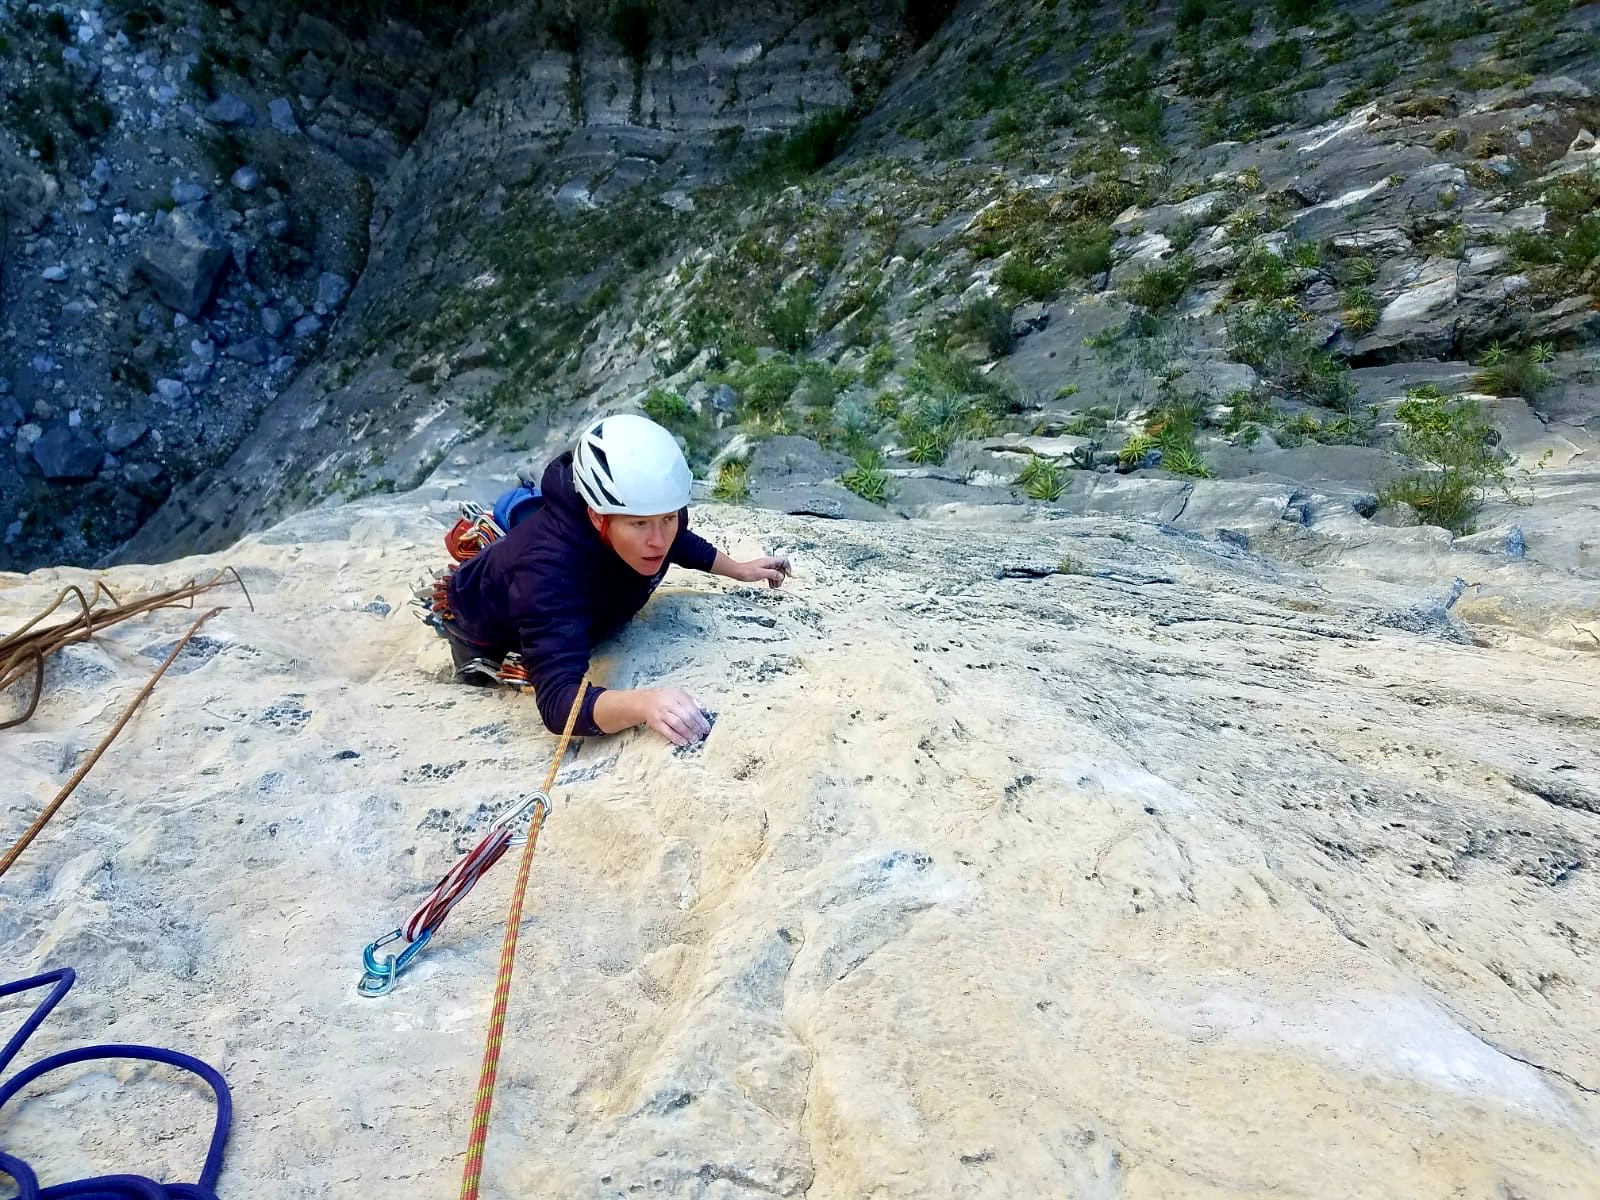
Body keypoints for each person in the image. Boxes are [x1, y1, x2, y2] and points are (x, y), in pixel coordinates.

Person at [441, 413, 790, 746]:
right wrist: (646, 705)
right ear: (596, 517)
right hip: (483, 630)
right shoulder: (547, 571)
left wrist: (741, 570)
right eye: (639, 524)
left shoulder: (648, 520)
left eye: (668, 517)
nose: (658, 539)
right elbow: (559, 703)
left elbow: (680, 542)